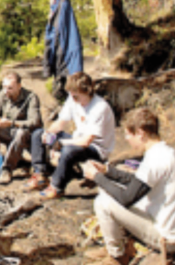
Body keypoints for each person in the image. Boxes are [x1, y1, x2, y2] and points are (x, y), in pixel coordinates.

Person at [83, 108, 175, 265]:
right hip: (170, 228)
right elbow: (137, 181)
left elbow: (127, 198)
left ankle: (117, 256)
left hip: (166, 238)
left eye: (128, 134)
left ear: (141, 133)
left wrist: (96, 177)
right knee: (108, 189)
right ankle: (121, 246)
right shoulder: (165, 151)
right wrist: (107, 171)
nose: (126, 138)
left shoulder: (156, 159)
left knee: (102, 202)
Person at [25, 71, 116, 199]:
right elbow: (60, 122)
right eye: (72, 96)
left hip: (96, 148)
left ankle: (57, 186)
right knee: (37, 134)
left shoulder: (100, 108)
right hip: (76, 139)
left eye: (77, 96)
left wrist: (61, 143)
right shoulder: (73, 100)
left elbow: (86, 141)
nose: (74, 99)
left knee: (68, 150)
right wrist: (48, 133)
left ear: (87, 92)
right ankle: (39, 174)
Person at [0, 71, 41, 184]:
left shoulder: (31, 98)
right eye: (4, 87)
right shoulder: (2, 95)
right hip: (8, 131)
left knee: (21, 133)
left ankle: (7, 169)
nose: (6, 91)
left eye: (10, 88)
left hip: (26, 137)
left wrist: (12, 123)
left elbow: (35, 122)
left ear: (19, 86)